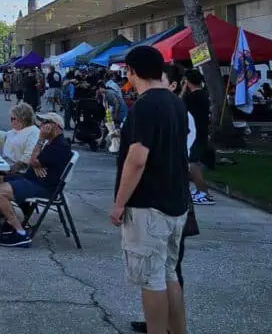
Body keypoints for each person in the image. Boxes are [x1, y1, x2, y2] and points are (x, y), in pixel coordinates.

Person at [111, 46, 189, 334]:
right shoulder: (175, 102)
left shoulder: (145, 105)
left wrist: (119, 203)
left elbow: (137, 159)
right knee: (169, 273)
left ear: (131, 71)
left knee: (151, 279)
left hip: (149, 205)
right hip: (175, 201)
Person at [0, 112, 72, 248]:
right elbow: (35, 162)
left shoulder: (59, 145)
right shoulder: (53, 142)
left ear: (55, 126)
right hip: (33, 179)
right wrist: (35, 164)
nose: (41, 126)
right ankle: (10, 223)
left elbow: (33, 160)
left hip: (43, 187)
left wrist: (40, 140)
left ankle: (21, 234)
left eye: (45, 122)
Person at [182, 69, 214, 205]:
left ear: (188, 82)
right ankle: (199, 190)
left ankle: (203, 192)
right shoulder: (203, 95)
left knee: (192, 162)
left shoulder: (192, 97)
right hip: (201, 131)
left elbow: (178, 104)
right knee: (194, 161)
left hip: (194, 133)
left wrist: (183, 89)